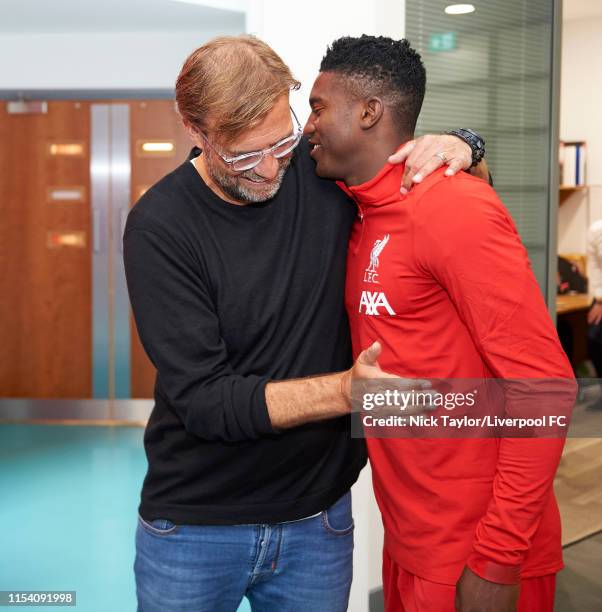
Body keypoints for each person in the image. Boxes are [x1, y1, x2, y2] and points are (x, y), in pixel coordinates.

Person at [123, 35, 485, 612]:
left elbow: (408, 168)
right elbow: (205, 400)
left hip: (319, 521)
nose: (269, 168)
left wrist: (464, 144)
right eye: (243, 155)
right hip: (195, 526)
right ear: (194, 129)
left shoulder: (321, 174)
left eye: (282, 141)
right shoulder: (160, 227)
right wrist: (346, 392)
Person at [303, 35, 575, 612]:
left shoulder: (454, 208)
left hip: (476, 552)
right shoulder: (361, 210)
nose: (309, 126)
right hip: (411, 541)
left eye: (320, 107)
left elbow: (545, 387)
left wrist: (499, 559)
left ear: (369, 112)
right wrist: (468, 141)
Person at [587, 220, 602, 408]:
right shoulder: (595, 230)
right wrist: (599, 300)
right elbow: (595, 267)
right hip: (601, 297)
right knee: (593, 338)